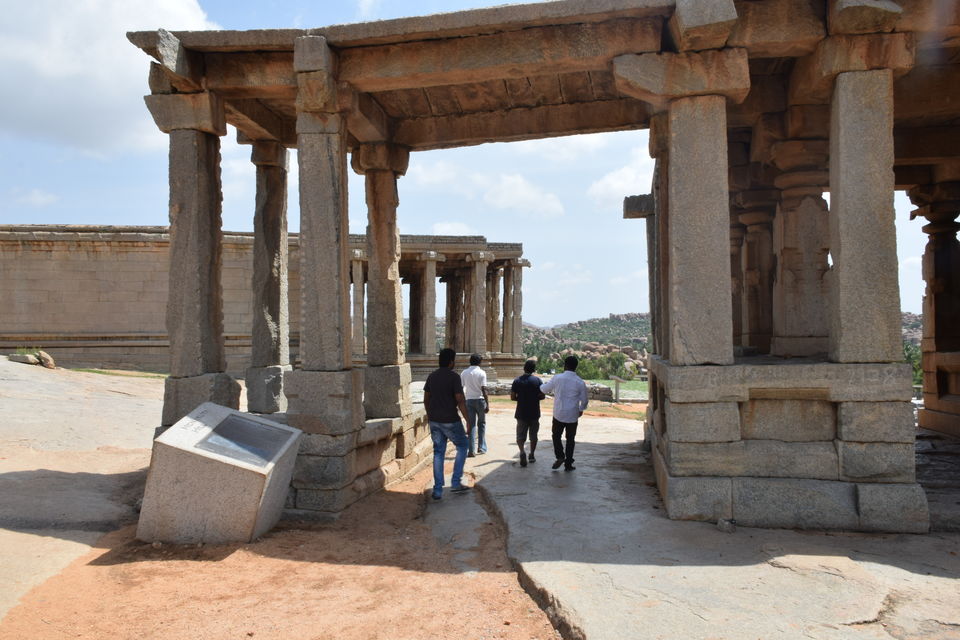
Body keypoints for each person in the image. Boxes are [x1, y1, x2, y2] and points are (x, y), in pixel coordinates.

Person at [423, 348, 472, 500]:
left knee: (438, 452)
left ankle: (437, 490)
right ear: (451, 361)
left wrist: (430, 415)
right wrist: (468, 420)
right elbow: (460, 400)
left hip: (435, 420)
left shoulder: (432, 376)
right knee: (463, 446)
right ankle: (456, 482)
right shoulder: (454, 377)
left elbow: (426, 399)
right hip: (450, 420)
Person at [540, 355, 588, 471]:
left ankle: (560, 456)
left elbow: (544, 389)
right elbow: (585, 400)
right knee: (570, 440)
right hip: (572, 414)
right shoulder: (580, 382)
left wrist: (542, 384)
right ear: (576, 367)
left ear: (565, 365)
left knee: (556, 436)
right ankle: (568, 463)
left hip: (558, 413)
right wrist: (581, 409)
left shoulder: (557, 378)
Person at [511, 359, 545, 468]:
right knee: (533, 435)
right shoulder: (538, 381)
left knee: (520, 434)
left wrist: (521, 399)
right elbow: (542, 396)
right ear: (534, 369)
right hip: (534, 412)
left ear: (524, 368)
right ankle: (532, 455)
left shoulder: (517, 381)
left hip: (521, 412)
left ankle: (521, 452)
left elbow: (512, 397)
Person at [460, 353, 490, 457]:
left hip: (469, 400)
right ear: (479, 362)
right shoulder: (482, 373)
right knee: (481, 424)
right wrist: (487, 404)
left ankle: (471, 450)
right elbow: (484, 390)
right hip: (480, 400)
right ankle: (481, 447)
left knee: (471, 425)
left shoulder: (464, 373)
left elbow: (461, 388)